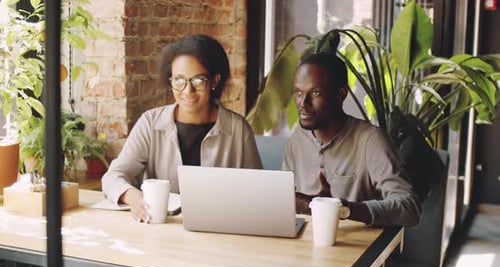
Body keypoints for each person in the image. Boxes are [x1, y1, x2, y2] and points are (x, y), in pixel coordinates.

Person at [102, 34, 262, 223]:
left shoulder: (237, 129)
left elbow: (257, 191)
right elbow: (113, 177)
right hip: (163, 229)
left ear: (215, 81)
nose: (187, 91)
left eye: (198, 80)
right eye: (179, 80)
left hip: (220, 230)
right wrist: (135, 197)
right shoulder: (150, 123)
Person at [283, 52, 420, 227]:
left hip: (359, 249)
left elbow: (409, 208)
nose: (303, 103)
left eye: (316, 93)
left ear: (341, 94)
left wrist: (341, 209)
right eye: (298, 92)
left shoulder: (370, 140)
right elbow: (286, 202)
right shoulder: (297, 140)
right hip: (304, 247)